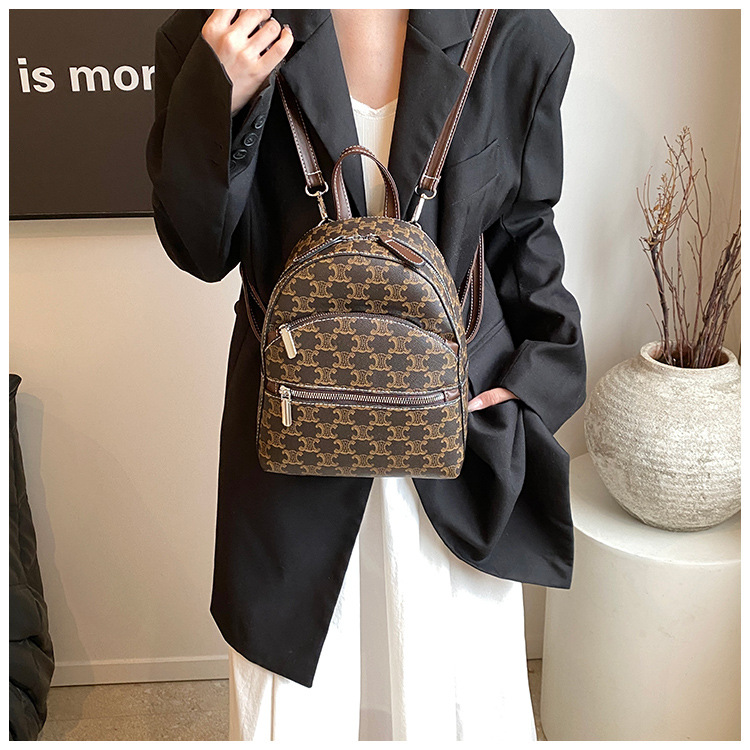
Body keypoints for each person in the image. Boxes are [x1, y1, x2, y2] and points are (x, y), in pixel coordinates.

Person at [147, 8, 586, 742]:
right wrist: (220, 102)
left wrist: (537, 378)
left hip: (455, 446)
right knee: (297, 715)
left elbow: (523, 229)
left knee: (450, 705)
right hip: (292, 450)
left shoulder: (515, 33)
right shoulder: (215, 34)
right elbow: (199, 249)